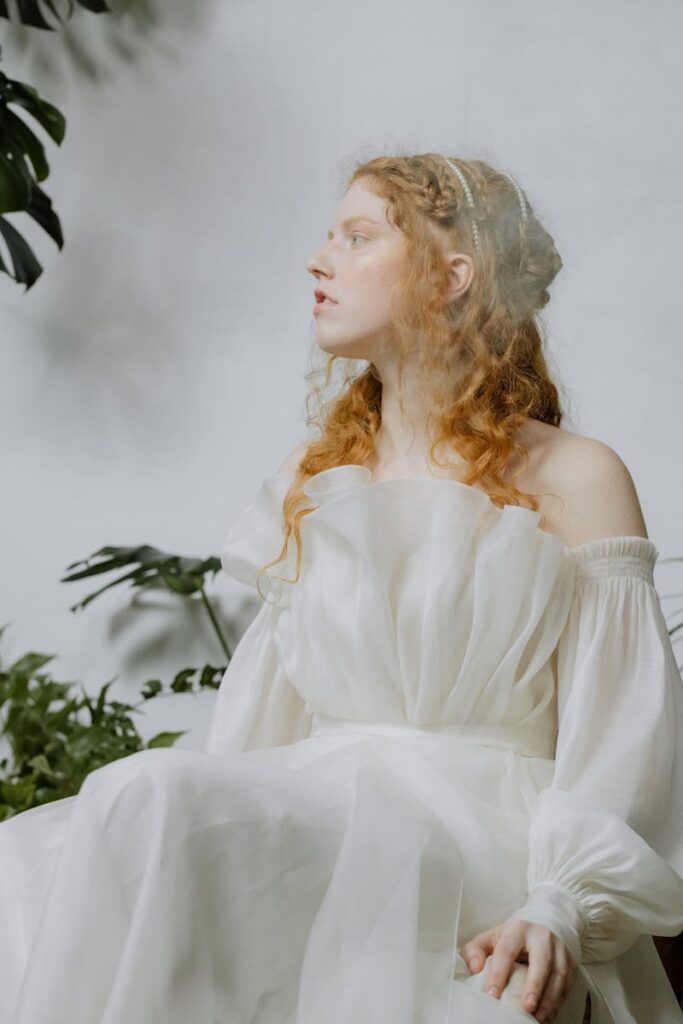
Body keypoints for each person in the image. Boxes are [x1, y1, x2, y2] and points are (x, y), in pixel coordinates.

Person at [0, 153, 681, 1024]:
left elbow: (624, 730)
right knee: (43, 861)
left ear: (451, 275)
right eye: (328, 238)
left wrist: (561, 900)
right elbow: (262, 732)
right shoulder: (315, 475)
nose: (317, 261)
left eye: (356, 238)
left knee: (147, 793)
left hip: (481, 834)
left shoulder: (577, 475)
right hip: (323, 810)